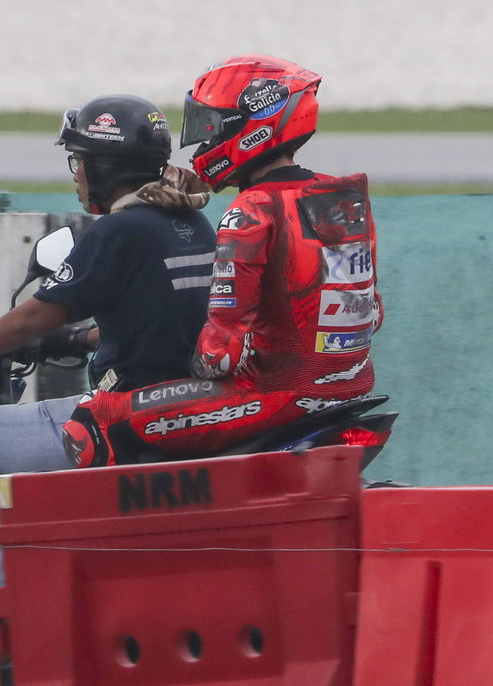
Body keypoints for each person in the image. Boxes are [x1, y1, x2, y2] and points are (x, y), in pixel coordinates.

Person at [0, 93, 217, 584]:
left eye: (80, 160)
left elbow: (32, 317)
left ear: (105, 166)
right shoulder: (191, 222)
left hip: (125, 412)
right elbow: (158, 314)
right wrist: (71, 341)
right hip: (178, 401)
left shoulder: (120, 230)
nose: (76, 173)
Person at [61, 55, 385, 466]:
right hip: (351, 387)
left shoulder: (251, 210)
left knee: (95, 418)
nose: (204, 141)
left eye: (211, 126)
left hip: (274, 395)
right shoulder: (344, 197)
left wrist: (187, 371)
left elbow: (220, 355)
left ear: (249, 129)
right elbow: (372, 315)